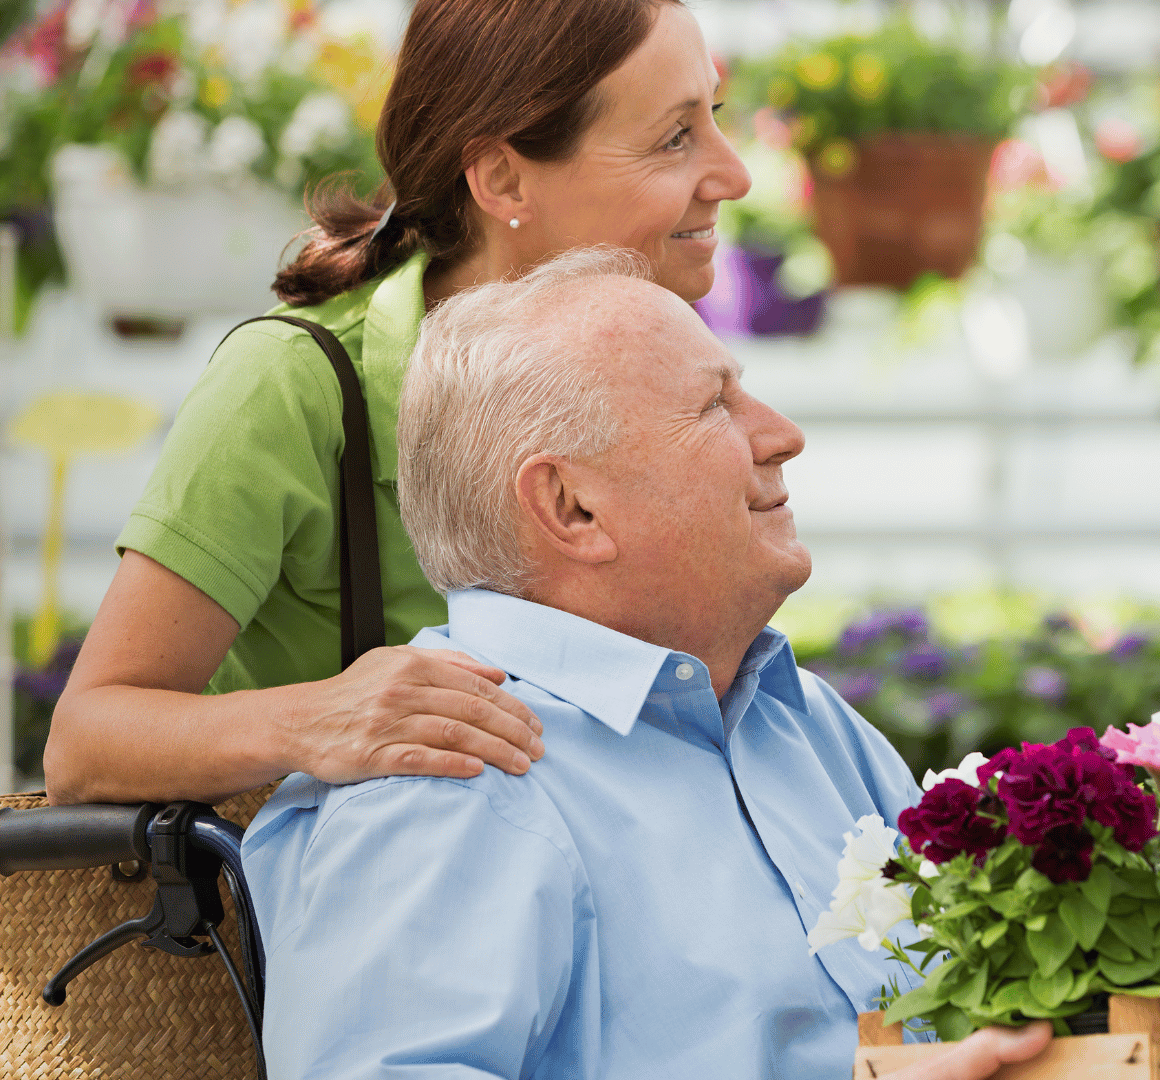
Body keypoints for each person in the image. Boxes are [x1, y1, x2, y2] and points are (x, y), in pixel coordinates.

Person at [243, 248, 1051, 1078]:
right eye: (715, 406)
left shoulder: (805, 720)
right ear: (571, 507)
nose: (781, 434)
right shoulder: (449, 770)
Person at [46, 0, 750, 806]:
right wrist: (311, 719)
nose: (736, 174)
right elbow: (84, 743)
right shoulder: (292, 384)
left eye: (716, 118)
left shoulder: (663, 355)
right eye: (674, 138)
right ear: (503, 178)